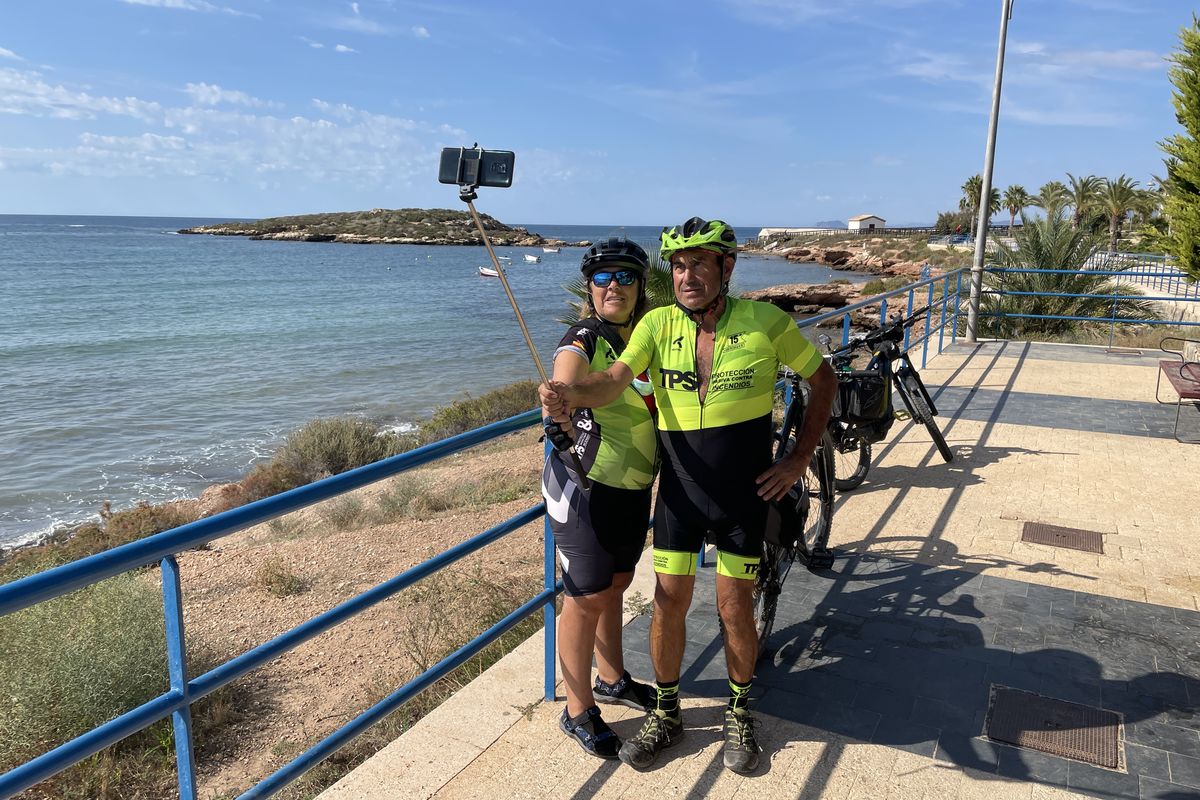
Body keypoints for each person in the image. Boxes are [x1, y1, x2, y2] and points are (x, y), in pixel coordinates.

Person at [540, 217, 837, 774]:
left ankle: (740, 711)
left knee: (733, 608)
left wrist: (798, 458)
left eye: (700, 262)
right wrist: (569, 393)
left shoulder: (766, 323)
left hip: (741, 497)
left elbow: (823, 379)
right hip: (678, 496)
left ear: (727, 267)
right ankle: (668, 713)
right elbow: (613, 380)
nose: (687, 275)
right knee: (668, 603)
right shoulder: (655, 324)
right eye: (678, 264)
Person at [541, 237, 660, 759]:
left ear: (641, 286)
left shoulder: (650, 334)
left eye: (626, 276)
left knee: (617, 582)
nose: (615, 285)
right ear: (590, 288)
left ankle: (611, 677)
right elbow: (566, 370)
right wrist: (558, 401)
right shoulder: (585, 333)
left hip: (633, 486)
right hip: (581, 481)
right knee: (586, 596)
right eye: (604, 277)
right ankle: (576, 708)